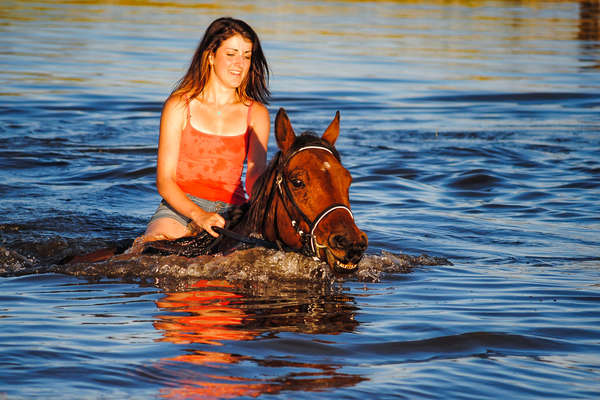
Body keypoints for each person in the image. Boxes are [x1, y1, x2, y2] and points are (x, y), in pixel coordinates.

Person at [143, 17, 270, 242]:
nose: (240, 63)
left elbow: (255, 176)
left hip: (235, 209)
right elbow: (165, 180)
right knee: (154, 249)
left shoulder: (257, 113)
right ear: (211, 56)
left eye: (247, 56)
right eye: (231, 54)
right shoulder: (179, 105)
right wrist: (199, 216)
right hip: (180, 208)